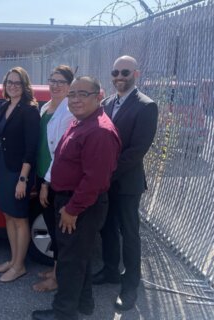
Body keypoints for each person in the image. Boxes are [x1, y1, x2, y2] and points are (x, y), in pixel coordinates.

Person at [32, 76, 121, 320]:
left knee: (70, 262)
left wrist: (72, 209)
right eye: (72, 94)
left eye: (83, 94)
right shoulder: (81, 122)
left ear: (98, 96)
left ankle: (63, 313)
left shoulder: (100, 131)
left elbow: (95, 180)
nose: (76, 99)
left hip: (80, 205)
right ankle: (84, 304)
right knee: (79, 258)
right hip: (71, 200)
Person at [92, 55, 158, 311]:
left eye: (125, 73)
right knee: (107, 228)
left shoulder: (146, 106)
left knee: (129, 234)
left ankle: (130, 285)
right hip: (106, 181)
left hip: (127, 183)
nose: (119, 77)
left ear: (136, 75)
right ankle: (110, 271)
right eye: (115, 72)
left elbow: (137, 150)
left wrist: (107, 173)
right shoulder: (107, 103)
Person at [0, 67, 40, 282]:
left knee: (19, 218)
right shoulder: (5, 106)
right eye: (9, 82)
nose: (12, 86)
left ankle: (19, 266)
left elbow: (31, 147)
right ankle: (12, 259)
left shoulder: (29, 110)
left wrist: (23, 179)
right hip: (4, 168)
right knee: (8, 215)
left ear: (24, 85)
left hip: (19, 172)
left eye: (17, 83)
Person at [33, 65, 75, 292]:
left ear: (69, 85)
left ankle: (57, 278)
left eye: (61, 81)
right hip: (41, 174)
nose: (55, 85)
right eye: (52, 80)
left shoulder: (69, 112)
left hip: (55, 179)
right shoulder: (46, 107)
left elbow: (61, 152)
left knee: (58, 231)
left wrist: (46, 184)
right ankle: (56, 270)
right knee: (50, 225)